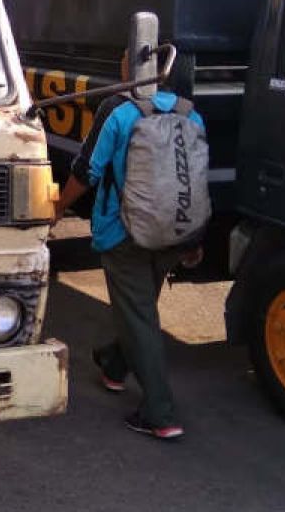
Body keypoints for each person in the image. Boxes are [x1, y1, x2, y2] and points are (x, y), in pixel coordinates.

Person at [53, 51, 204, 441]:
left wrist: (58, 208)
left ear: (132, 68)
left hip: (125, 235)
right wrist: (193, 237)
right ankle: (114, 365)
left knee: (140, 317)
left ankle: (160, 412)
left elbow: (86, 170)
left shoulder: (117, 110)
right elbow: (193, 181)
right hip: (174, 233)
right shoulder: (190, 113)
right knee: (138, 308)